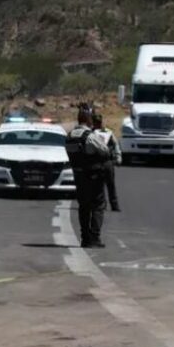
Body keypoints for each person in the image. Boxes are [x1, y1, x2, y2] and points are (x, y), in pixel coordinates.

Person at [65, 106, 112, 248]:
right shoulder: (90, 136)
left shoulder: (69, 136)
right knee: (98, 206)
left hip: (79, 176)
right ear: (88, 119)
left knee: (83, 207)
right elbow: (104, 150)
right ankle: (95, 238)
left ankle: (85, 238)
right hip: (93, 176)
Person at [92, 112, 121, 212]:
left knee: (111, 184)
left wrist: (118, 157)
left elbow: (116, 144)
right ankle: (101, 204)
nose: (98, 124)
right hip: (96, 161)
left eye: (99, 122)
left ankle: (114, 205)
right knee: (98, 185)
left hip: (108, 161)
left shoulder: (108, 132)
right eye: (96, 122)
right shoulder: (91, 133)